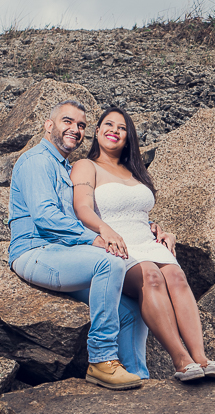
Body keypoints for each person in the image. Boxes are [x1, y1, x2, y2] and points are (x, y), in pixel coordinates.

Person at [70, 106, 215, 383]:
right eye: (108, 124)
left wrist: (160, 229)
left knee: (176, 275)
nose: (114, 131)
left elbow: (137, 212)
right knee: (151, 276)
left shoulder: (134, 171)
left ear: (128, 138)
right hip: (113, 244)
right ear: (96, 131)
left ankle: (201, 357)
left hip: (145, 241)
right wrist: (107, 230)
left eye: (122, 128)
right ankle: (181, 359)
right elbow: (82, 209)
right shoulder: (86, 166)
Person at [8, 99, 149, 390]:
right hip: (35, 252)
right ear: (49, 126)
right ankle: (101, 359)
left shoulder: (64, 167)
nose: (75, 129)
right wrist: (94, 239)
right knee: (109, 262)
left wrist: (151, 227)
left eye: (81, 125)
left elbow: (93, 212)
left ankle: (139, 376)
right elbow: (46, 216)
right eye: (67, 122)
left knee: (132, 309)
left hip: (64, 254)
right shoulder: (37, 161)